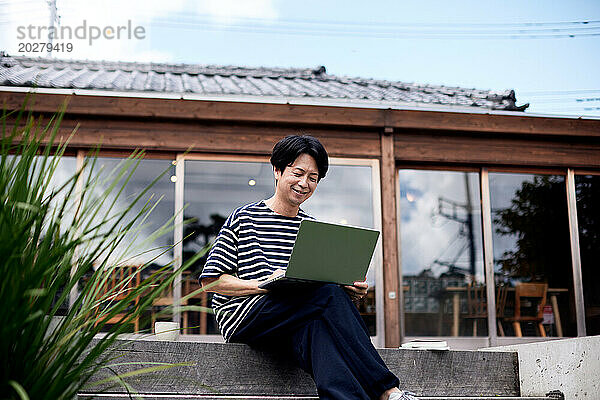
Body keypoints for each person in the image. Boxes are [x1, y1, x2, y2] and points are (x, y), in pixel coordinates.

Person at [199, 135, 419, 400]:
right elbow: (211, 281)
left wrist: (351, 290)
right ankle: (387, 390)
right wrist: (264, 285)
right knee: (325, 294)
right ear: (278, 171)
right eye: (298, 173)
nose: (304, 184)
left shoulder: (312, 228)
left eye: (313, 178)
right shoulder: (244, 217)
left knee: (319, 334)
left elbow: (322, 288)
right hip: (248, 318)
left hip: (297, 317)